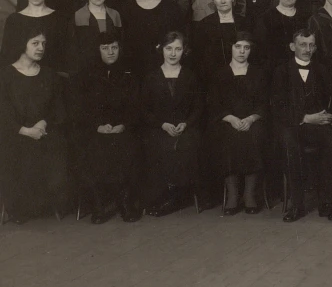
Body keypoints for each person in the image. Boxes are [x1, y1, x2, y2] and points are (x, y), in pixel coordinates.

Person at [270, 29, 332, 222]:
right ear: (293, 46)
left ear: (316, 47)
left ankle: (327, 201)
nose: (307, 49)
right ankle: (297, 203)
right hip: (292, 124)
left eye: (311, 45)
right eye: (302, 44)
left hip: (317, 124)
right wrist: (304, 118)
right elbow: (278, 107)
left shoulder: (322, 70)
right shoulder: (281, 71)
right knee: (289, 144)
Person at [71, 31, 140, 223]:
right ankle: (98, 204)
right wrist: (97, 126)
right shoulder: (85, 74)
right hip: (94, 129)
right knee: (91, 149)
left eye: (114, 47)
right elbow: (79, 107)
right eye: (105, 48)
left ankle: (124, 202)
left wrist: (123, 125)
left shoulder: (129, 73)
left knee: (126, 147)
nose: (110, 52)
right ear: (98, 50)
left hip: (121, 129)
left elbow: (135, 105)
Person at [0, 29, 67, 224]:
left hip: (44, 131)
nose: (41, 48)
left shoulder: (48, 74)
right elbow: (2, 112)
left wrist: (43, 122)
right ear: (23, 45)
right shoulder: (5, 75)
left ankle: (45, 204)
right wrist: (24, 130)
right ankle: (20, 208)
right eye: (35, 43)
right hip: (14, 133)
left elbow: (57, 107)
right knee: (17, 151)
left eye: (43, 44)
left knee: (56, 148)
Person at [140, 31, 203, 217]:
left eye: (178, 49)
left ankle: (177, 196)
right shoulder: (151, 77)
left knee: (186, 145)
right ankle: (161, 195)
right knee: (157, 145)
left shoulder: (191, 76)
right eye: (169, 49)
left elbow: (199, 107)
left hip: (186, 127)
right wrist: (162, 124)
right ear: (161, 50)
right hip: (159, 127)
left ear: (184, 51)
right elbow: (144, 110)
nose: (173, 53)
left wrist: (186, 123)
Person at [207, 32, 269, 215]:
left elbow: (264, 103)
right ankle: (233, 194)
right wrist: (232, 118)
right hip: (227, 121)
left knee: (255, 136)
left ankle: (250, 194)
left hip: (253, 121)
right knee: (227, 137)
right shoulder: (219, 74)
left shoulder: (259, 73)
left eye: (246, 47)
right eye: (238, 46)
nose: (242, 51)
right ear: (231, 48)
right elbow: (214, 104)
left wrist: (250, 119)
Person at [121, 0, 182, 77]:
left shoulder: (172, 8)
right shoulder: (127, 9)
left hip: (163, 69)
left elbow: (177, 39)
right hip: (135, 68)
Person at [1, 0, 68, 73]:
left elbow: (66, 55)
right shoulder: (14, 20)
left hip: (53, 77)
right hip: (22, 79)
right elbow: (7, 57)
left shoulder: (59, 18)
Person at [192, 0, 253, 82]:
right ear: (214, 0)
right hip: (212, 79)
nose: (223, 1)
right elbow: (199, 58)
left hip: (241, 77)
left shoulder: (245, 23)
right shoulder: (204, 25)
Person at [68, 0, 123, 76]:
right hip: (87, 71)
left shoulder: (115, 14)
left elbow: (120, 44)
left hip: (112, 70)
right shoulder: (79, 15)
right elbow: (74, 49)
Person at [256, 0, 310, 74]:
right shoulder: (266, 18)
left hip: (299, 69)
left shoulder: (305, 18)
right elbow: (261, 52)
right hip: (274, 70)